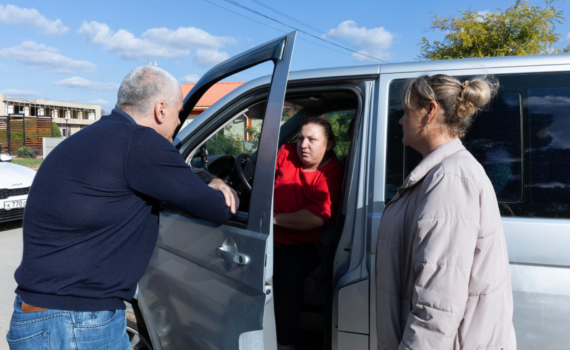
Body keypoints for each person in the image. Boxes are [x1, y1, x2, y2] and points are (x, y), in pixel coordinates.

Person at [6, 66, 239, 350]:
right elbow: (217, 209)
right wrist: (219, 184)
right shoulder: (140, 142)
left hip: (45, 316)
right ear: (161, 110)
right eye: (179, 114)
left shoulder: (92, 138)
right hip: (75, 323)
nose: (178, 122)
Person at [375, 74, 516, 349]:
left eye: (406, 111)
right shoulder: (447, 171)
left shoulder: (449, 179)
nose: (401, 120)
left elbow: (437, 304)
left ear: (430, 111)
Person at [272, 117, 344, 350]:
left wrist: (272, 219)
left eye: (312, 139)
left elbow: (316, 216)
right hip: (266, 237)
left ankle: (286, 341)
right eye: (300, 138)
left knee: (287, 282)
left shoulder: (331, 172)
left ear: (329, 144)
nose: (303, 145)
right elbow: (259, 170)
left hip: (300, 245)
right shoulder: (285, 152)